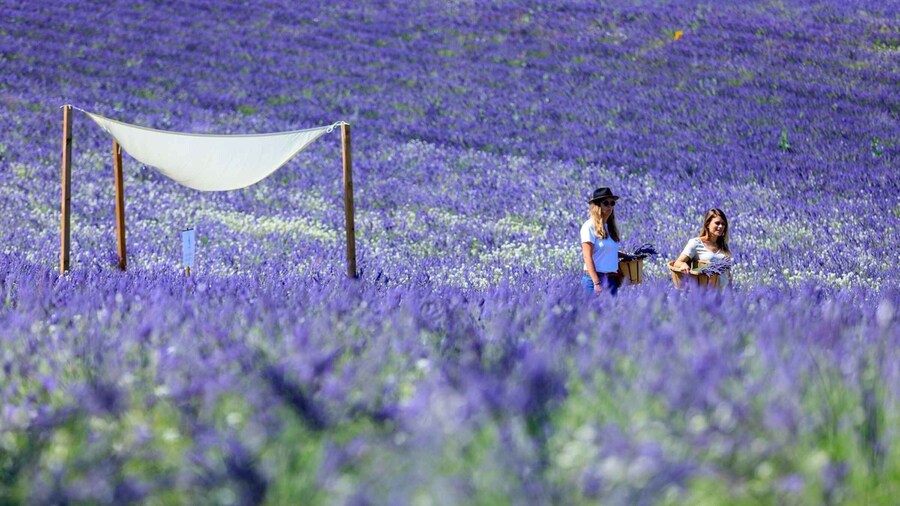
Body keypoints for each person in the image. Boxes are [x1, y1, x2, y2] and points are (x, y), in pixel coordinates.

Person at [580, 187, 629, 295]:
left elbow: (606, 252)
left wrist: (625, 256)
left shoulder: (610, 227)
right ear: (597, 206)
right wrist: (596, 283)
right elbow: (587, 256)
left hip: (611, 280)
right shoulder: (589, 226)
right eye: (606, 203)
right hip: (594, 280)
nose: (610, 206)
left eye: (612, 203)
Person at [671, 208, 732, 285]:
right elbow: (678, 262)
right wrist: (683, 265)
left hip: (722, 294)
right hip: (705, 293)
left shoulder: (724, 246)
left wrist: (731, 294)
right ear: (707, 224)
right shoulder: (696, 243)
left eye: (723, 224)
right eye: (717, 223)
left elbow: (728, 275)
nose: (720, 226)